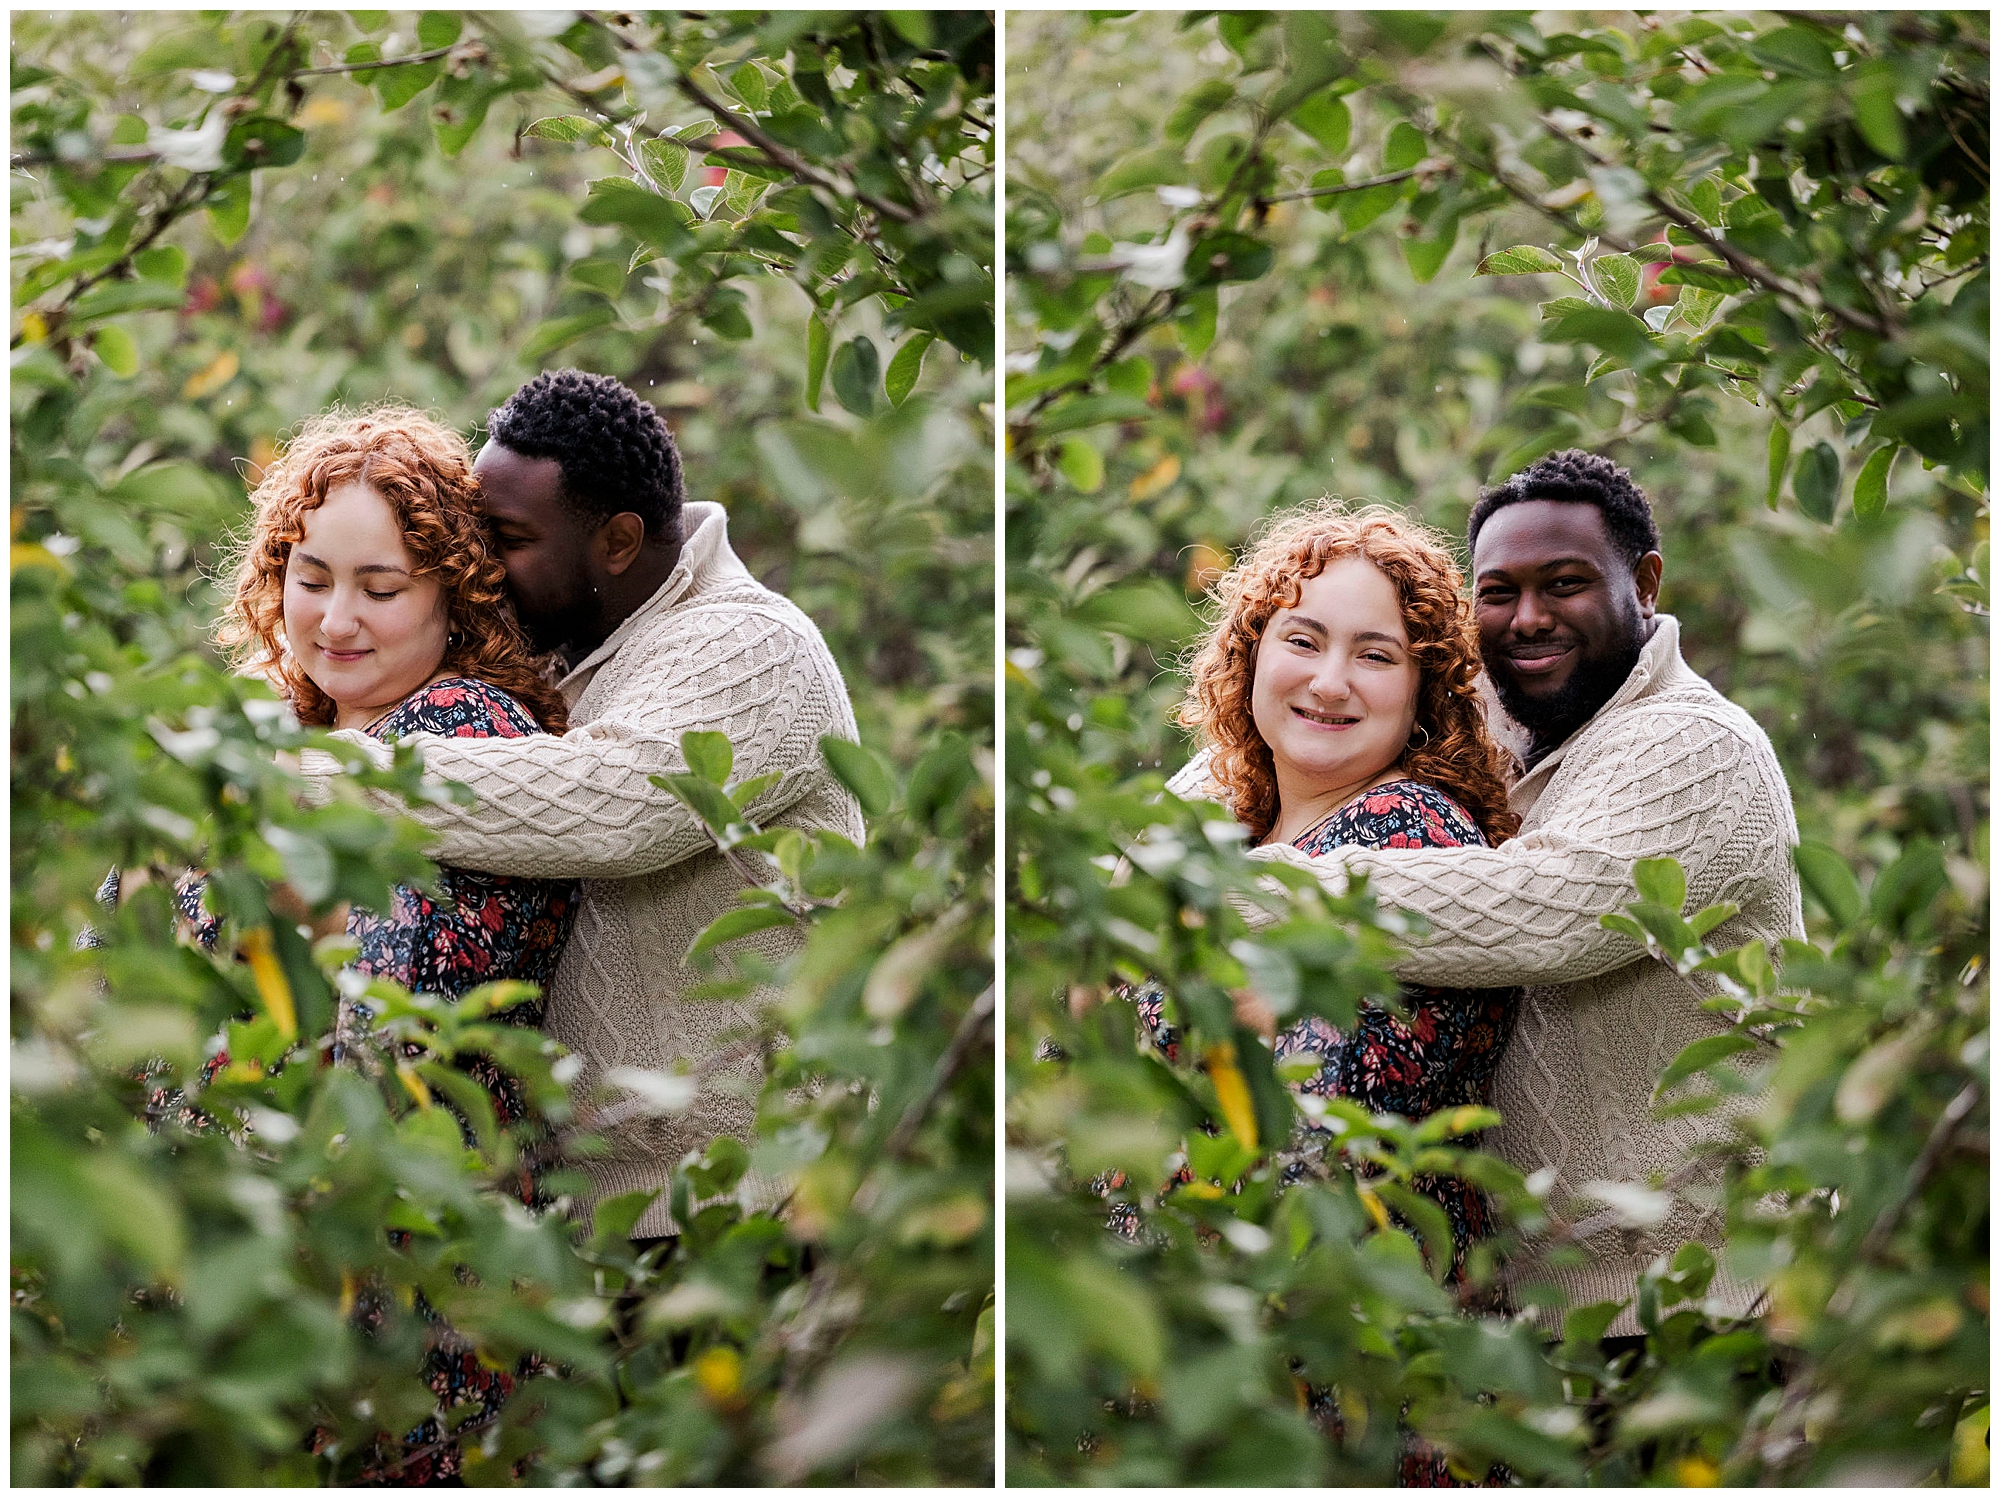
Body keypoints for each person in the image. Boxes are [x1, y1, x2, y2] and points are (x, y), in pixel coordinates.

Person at [1177, 451, 1805, 1338]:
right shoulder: (1506, 727)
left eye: (1567, 583)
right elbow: (1291, 722)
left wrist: (1240, 886)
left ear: (1647, 583)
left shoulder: (1694, 744)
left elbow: (1554, 912)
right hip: (1537, 1323)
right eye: (1499, 591)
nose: (1528, 618)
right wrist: (1161, 843)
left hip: (1706, 1309)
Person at [300, 370, 864, 1253]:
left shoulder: (751, 644)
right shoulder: (571, 654)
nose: (481, 563)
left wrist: (317, 774)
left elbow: (612, 807)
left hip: (747, 1211)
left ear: (618, 540)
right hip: (597, 1222)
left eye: (511, 539)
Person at [209, 405, 580, 1483]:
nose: (332, 620)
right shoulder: (285, 726)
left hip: (403, 1265)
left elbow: (381, 1027)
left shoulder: (462, 734)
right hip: (239, 1251)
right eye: (309, 576)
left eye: (381, 588)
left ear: (453, 597)